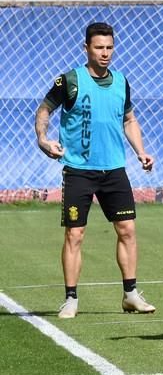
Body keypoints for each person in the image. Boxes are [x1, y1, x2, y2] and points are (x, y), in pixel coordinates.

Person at [34, 22, 156, 319]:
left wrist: (141, 152)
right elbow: (44, 110)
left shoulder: (122, 82)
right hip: (78, 170)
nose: (105, 53)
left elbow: (129, 119)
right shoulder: (70, 81)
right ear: (86, 48)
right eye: (99, 47)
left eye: (109, 48)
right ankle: (71, 299)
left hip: (114, 170)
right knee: (75, 234)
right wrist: (43, 139)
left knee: (127, 230)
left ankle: (130, 294)